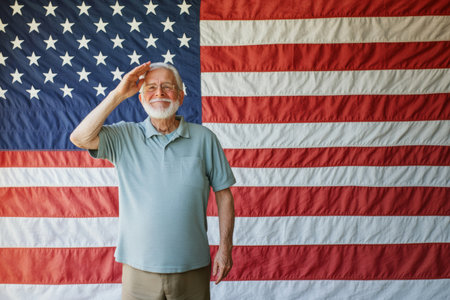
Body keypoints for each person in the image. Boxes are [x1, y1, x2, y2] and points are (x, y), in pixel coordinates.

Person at [70, 61, 236, 300]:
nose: (159, 93)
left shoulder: (204, 138)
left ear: (180, 96)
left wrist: (225, 249)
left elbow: (224, 195)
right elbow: (79, 137)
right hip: (138, 269)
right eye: (150, 88)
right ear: (140, 98)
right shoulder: (124, 135)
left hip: (193, 266)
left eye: (167, 87)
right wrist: (118, 94)